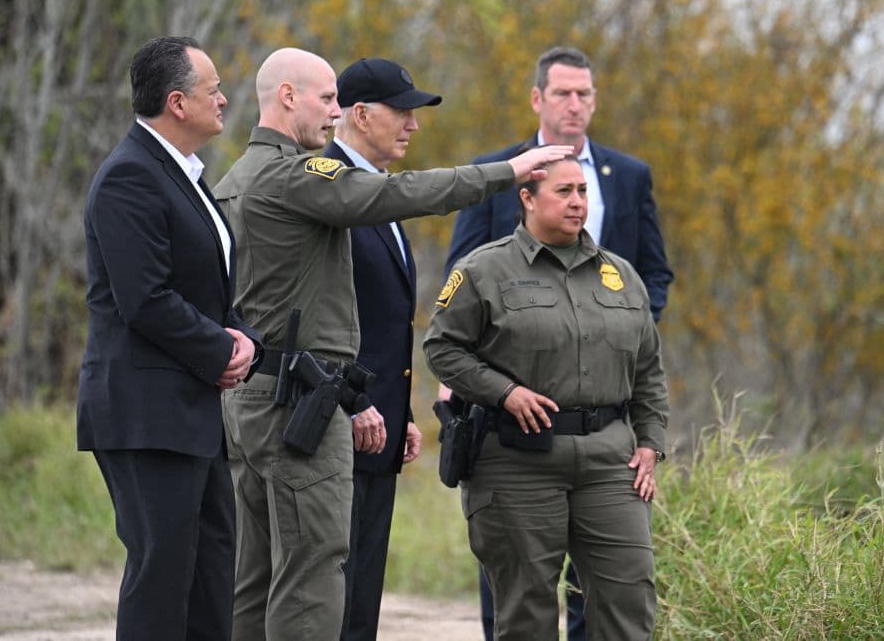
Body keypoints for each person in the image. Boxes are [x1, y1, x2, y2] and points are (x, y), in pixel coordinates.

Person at [212, 47, 574, 640]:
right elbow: (396, 194)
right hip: (298, 402)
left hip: (256, 398)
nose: (335, 112)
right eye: (327, 99)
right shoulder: (293, 175)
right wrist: (507, 172)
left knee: (255, 577)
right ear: (287, 97)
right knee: (312, 572)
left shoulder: (234, 180)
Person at [443, 45, 673, 640]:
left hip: (607, 450)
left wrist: (651, 440)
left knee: (627, 603)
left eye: (582, 194)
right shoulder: (490, 237)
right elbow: (447, 338)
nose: (577, 203)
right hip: (519, 450)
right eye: (564, 192)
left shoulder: (621, 263)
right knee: (524, 609)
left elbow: (649, 361)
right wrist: (497, 391)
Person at [77, 36, 262, 641]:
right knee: (163, 575)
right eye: (214, 90)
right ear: (177, 103)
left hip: (190, 412)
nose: (224, 99)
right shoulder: (130, 175)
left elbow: (204, 289)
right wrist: (220, 350)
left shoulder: (184, 175)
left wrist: (244, 339)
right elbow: (145, 299)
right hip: (146, 413)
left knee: (210, 572)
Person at [321, 57, 438, 640]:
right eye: (402, 112)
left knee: (363, 595)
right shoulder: (327, 187)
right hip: (335, 425)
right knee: (330, 597)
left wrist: (400, 409)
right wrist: (349, 402)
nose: (412, 125)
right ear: (361, 115)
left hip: (379, 427)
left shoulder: (378, 191)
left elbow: (383, 320)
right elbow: (316, 313)